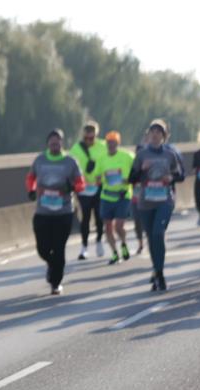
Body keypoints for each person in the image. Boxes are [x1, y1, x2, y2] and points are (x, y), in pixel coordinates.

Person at [128, 119, 185, 292]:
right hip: (146, 202)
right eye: (152, 131)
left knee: (158, 233)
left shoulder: (170, 155)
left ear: (164, 136)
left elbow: (180, 175)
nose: (155, 135)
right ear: (148, 135)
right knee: (152, 238)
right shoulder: (141, 155)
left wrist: (171, 178)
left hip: (164, 200)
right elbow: (131, 179)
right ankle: (157, 270)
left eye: (159, 132)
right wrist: (141, 169)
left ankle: (159, 274)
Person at [26, 129, 85, 294]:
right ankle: (53, 265)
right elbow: (30, 178)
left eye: (57, 142)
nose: (55, 145)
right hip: (43, 212)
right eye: (52, 142)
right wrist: (31, 190)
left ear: (62, 143)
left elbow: (81, 184)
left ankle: (56, 282)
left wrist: (72, 187)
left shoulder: (70, 162)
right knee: (42, 249)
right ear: (47, 144)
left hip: (63, 212)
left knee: (59, 248)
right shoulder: (40, 160)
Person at [68, 120, 108, 259]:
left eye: (92, 138)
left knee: (99, 216)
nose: (89, 140)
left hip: (99, 186)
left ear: (96, 135)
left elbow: (109, 163)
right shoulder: (76, 149)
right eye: (86, 138)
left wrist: (102, 177)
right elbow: (70, 167)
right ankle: (84, 246)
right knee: (85, 217)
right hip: (83, 188)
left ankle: (99, 241)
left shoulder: (103, 146)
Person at [93, 131, 134, 265]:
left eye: (113, 143)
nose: (111, 145)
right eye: (109, 143)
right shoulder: (101, 158)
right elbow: (97, 177)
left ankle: (123, 243)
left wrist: (128, 180)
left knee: (119, 226)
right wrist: (99, 179)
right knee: (108, 227)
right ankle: (115, 253)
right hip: (107, 196)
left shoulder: (127, 156)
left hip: (123, 195)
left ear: (118, 143)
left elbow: (136, 171)